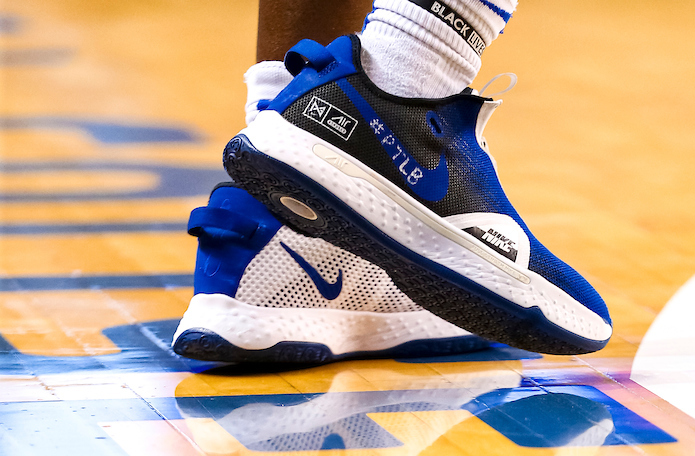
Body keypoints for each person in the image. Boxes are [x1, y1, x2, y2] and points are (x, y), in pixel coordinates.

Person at [173, 0, 612, 365]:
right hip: (394, 122)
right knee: (413, 60)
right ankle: (403, 93)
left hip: (261, 250)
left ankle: (296, 238)